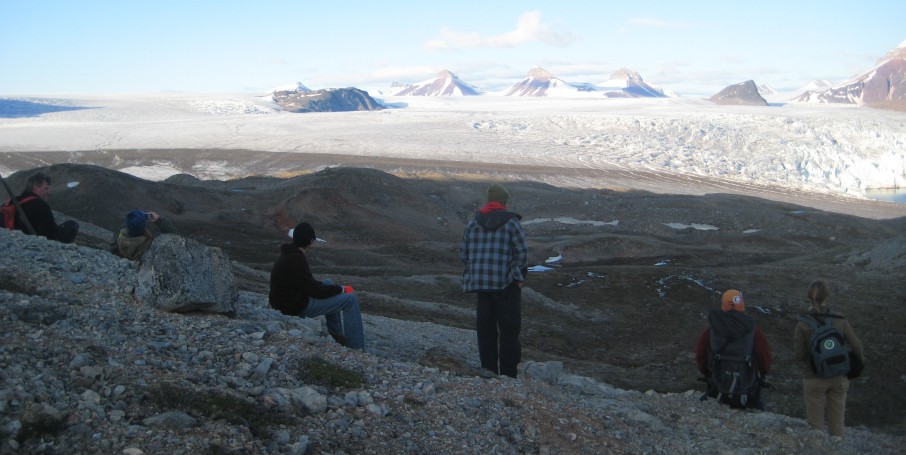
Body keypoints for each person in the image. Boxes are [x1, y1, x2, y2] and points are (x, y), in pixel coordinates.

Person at [459, 183, 528, 378]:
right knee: (509, 333)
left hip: (482, 287)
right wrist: (517, 276)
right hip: (506, 287)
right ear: (504, 202)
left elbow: (464, 255)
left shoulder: (472, 224)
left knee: (485, 332)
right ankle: (508, 376)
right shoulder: (512, 223)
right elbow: (522, 254)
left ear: (488, 201)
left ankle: (488, 373)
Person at [269, 222, 365, 350]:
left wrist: (334, 289)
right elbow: (314, 290)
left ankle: (336, 334)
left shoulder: (289, 254)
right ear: (310, 241)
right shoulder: (295, 259)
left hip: (287, 301)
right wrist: (342, 289)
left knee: (328, 283)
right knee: (350, 299)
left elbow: (307, 284)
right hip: (294, 306)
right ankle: (356, 347)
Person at [794, 279, 864, 438]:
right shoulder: (839, 318)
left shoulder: (802, 324)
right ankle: (837, 445)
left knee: (815, 426)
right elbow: (857, 345)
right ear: (827, 297)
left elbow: (799, 355)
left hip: (814, 377)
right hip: (838, 375)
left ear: (808, 298)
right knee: (837, 424)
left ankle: (818, 447)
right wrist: (858, 362)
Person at [695, 289, 772, 410]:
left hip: (716, 389)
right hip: (748, 393)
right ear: (742, 306)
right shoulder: (755, 333)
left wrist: (710, 373)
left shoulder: (710, 332)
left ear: (723, 305)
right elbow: (764, 362)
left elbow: (701, 357)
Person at [12, 172, 78, 243]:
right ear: (35, 187)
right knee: (72, 224)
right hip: (39, 239)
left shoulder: (15, 200)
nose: (48, 192)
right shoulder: (40, 204)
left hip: (16, 235)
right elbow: (52, 232)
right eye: (46, 189)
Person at [110, 209, 178, 260]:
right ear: (143, 226)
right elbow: (176, 239)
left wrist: (131, 221)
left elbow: (125, 229)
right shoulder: (149, 247)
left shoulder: (118, 241)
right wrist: (159, 221)